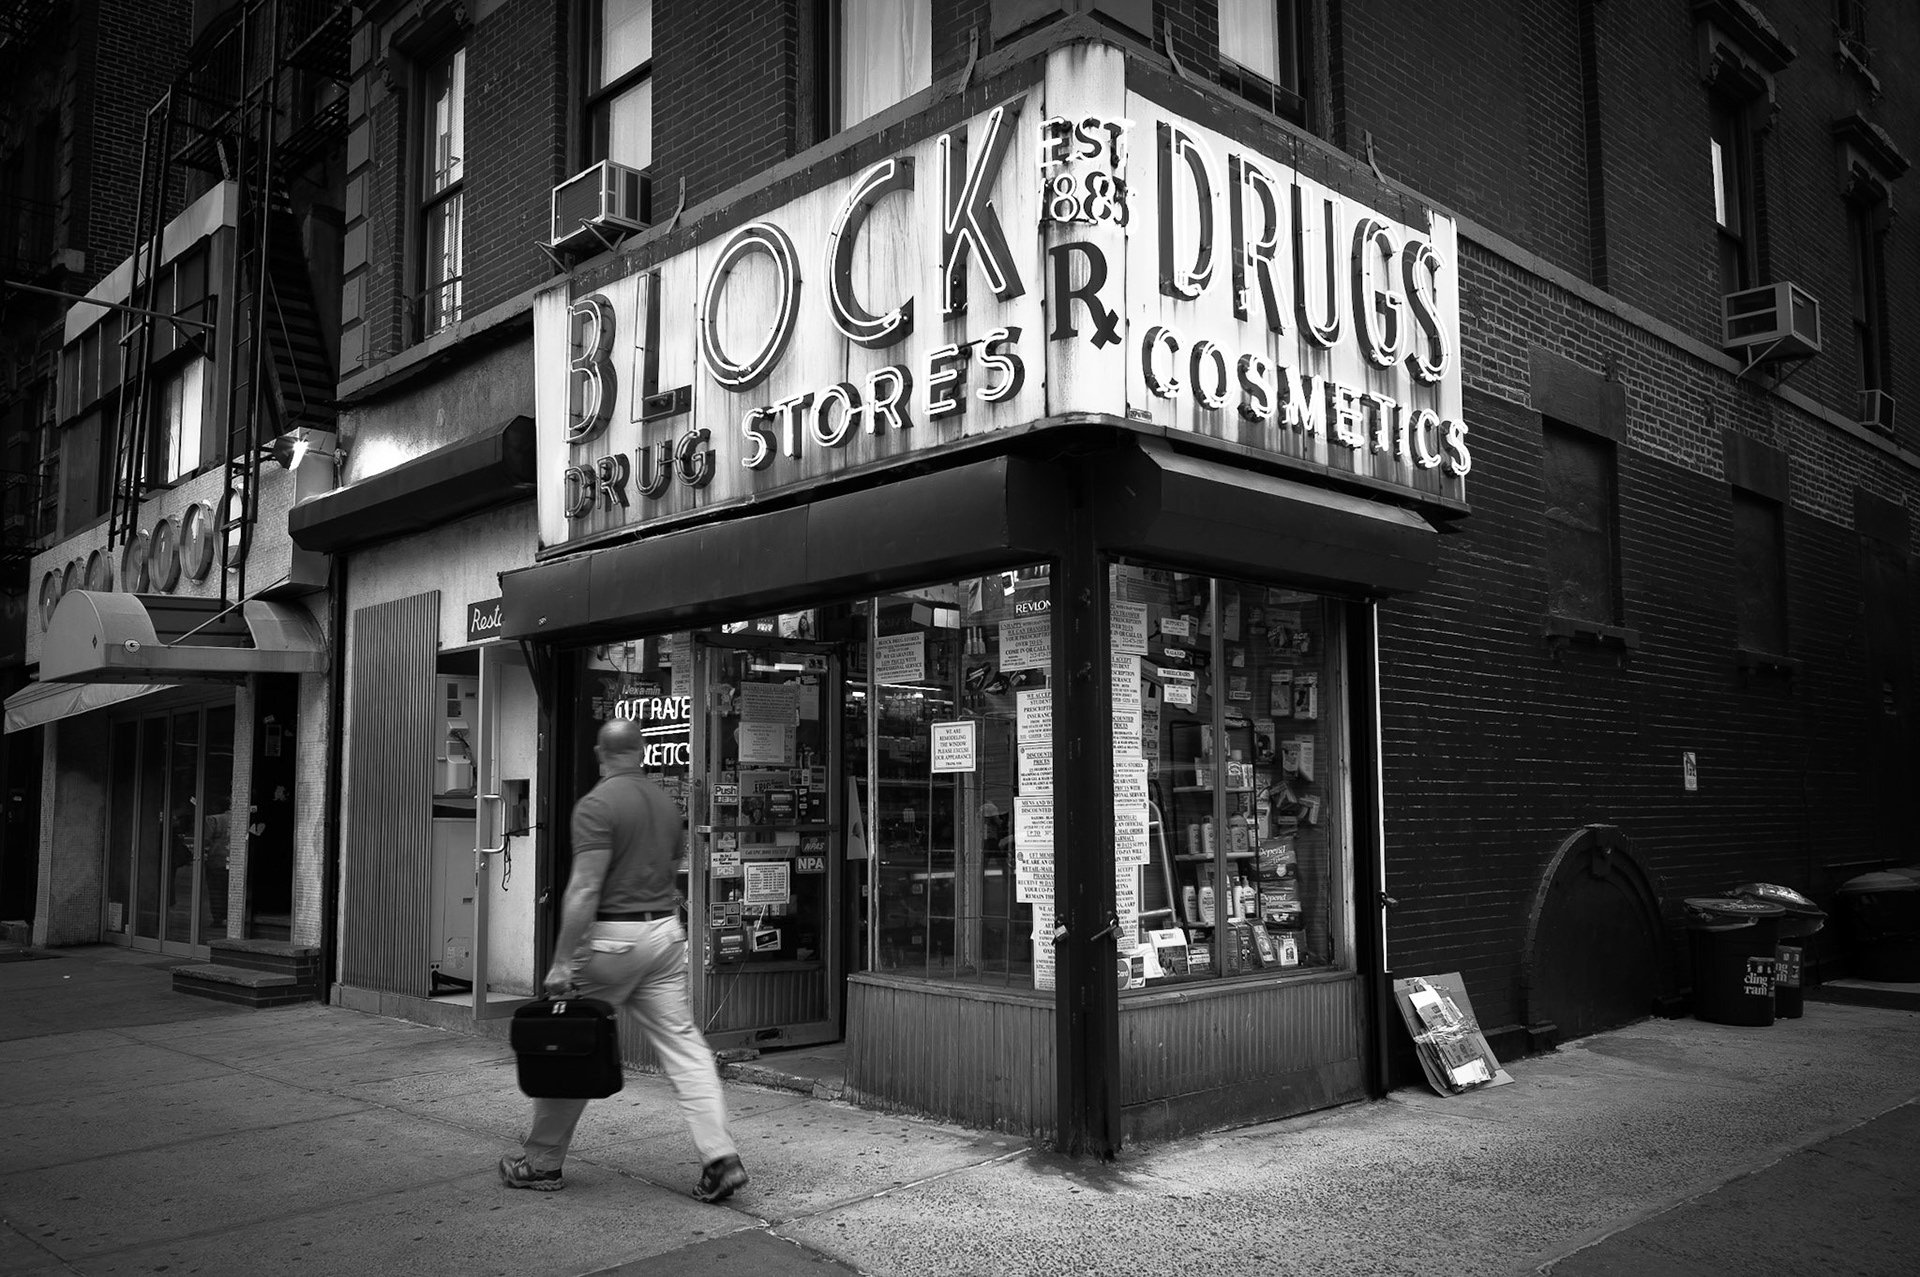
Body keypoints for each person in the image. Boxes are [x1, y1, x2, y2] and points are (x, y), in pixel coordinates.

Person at [499, 718, 749, 1203]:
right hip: (663, 935)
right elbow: (671, 867)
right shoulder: (665, 805)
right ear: (642, 752)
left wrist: (562, 961)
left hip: (613, 939)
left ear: (600, 753)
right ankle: (721, 1159)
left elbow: (586, 886)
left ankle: (543, 1163)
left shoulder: (596, 805)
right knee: (685, 1049)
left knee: (569, 1046)